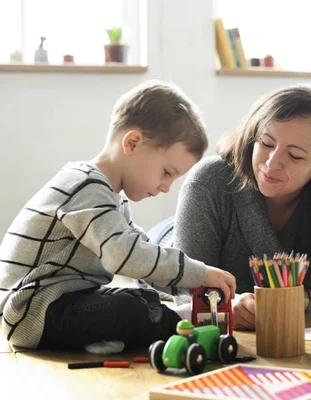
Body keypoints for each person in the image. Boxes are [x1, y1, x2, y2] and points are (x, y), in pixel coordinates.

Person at [0, 80, 236, 351]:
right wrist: (198, 273)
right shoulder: (85, 186)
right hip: (32, 311)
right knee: (128, 308)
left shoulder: (112, 196)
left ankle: (161, 323)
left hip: (65, 301)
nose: (165, 187)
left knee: (142, 297)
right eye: (167, 173)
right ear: (132, 143)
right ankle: (183, 326)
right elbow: (126, 256)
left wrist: (189, 287)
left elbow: (144, 252)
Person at [152, 84, 311, 330]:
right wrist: (227, 308)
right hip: (166, 245)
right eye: (266, 143)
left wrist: (287, 299)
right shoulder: (208, 179)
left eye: (295, 156)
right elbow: (190, 293)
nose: (272, 163)